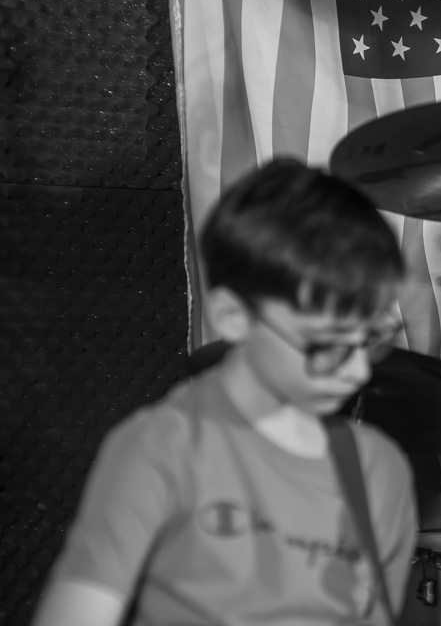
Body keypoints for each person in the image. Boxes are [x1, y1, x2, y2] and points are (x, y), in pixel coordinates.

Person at [31, 159, 417, 626]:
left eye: (372, 339)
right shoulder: (162, 448)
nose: (358, 371)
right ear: (233, 317)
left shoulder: (379, 468)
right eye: (327, 345)